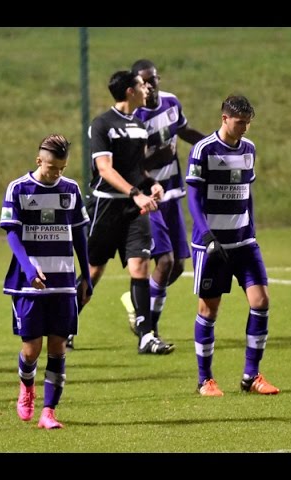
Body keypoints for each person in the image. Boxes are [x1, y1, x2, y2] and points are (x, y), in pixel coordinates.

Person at [70, 70, 174, 355]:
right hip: (106, 206)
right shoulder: (102, 124)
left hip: (133, 207)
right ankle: (67, 325)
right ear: (130, 90)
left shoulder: (140, 126)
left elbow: (137, 170)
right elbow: (105, 169)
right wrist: (135, 193)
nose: (147, 89)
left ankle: (145, 335)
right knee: (93, 270)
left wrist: (151, 185)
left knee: (140, 265)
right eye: (142, 85)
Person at [186, 94, 279, 397]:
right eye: (240, 123)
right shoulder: (204, 150)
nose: (244, 129)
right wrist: (207, 234)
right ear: (224, 118)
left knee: (261, 302)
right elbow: (193, 198)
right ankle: (205, 380)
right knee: (209, 310)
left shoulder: (249, 149)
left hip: (244, 243)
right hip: (212, 245)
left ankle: (252, 375)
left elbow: (246, 193)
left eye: (248, 124)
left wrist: (251, 229)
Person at [0, 134, 92, 429]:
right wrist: (28, 269)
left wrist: (86, 276)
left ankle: (49, 411)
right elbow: (12, 233)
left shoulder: (71, 189)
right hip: (30, 283)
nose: (56, 174)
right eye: (52, 167)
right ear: (39, 160)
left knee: (58, 347)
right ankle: (26, 387)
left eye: (61, 168)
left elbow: (79, 234)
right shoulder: (18, 188)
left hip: (63, 281)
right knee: (31, 350)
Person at [117, 59, 205, 341]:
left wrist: (213, 146)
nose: (150, 85)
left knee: (178, 265)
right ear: (135, 86)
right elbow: (130, 164)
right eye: (144, 82)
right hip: (146, 196)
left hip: (172, 192)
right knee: (164, 261)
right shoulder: (135, 118)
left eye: (153, 79)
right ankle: (148, 330)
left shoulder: (171, 103)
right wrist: (159, 158)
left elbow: (184, 131)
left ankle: (138, 306)